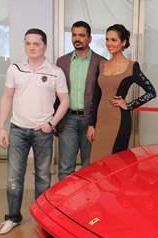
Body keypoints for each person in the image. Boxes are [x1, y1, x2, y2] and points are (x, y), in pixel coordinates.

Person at [0, 28, 69, 234]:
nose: (32, 47)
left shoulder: (55, 71)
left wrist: (52, 124)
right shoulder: (15, 69)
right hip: (18, 129)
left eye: (36, 43)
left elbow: (65, 100)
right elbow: (7, 97)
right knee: (14, 177)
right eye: (28, 43)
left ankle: (42, 219)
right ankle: (13, 217)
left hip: (43, 132)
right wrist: (1, 127)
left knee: (43, 177)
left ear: (45, 45)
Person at [87, 24, 156, 161]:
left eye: (114, 40)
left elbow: (151, 91)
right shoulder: (102, 65)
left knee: (114, 163)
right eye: (107, 39)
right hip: (100, 122)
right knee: (97, 162)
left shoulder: (131, 67)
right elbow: (96, 96)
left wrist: (129, 105)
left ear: (123, 42)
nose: (109, 43)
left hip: (119, 121)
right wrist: (91, 125)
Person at [56, 21, 106, 180]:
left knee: (89, 166)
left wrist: (96, 123)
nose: (77, 38)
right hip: (67, 119)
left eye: (82, 35)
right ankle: (63, 202)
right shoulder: (61, 62)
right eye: (74, 35)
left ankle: (86, 202)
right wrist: (55, 120)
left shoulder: (101, 62)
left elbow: (103, 94)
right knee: (65, 166)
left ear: (89, 39)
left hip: (89, 120)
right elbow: (56, 93)